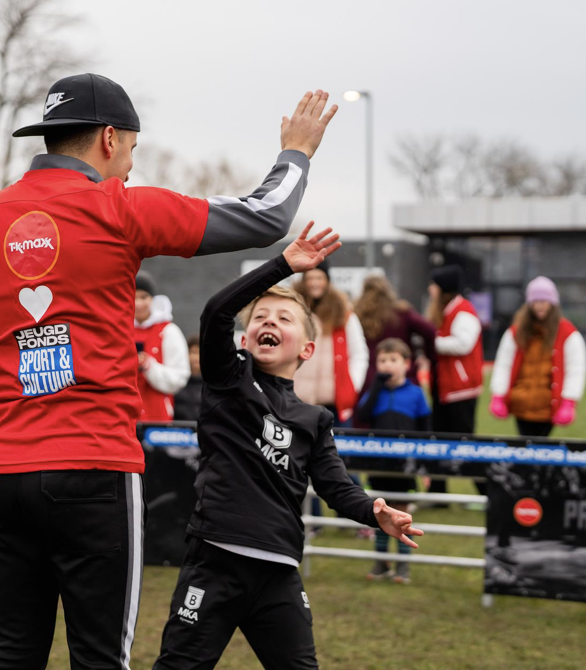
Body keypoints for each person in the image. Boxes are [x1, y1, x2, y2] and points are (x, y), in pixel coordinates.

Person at [0, 73, 340, 669]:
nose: (133, 168)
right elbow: (266, 216)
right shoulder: (119, 208)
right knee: (99, 660)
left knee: (11, 658)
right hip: (95, 470)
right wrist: (297, 150)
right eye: (134, 151)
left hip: (6, 474)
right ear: (109, 138)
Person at [153, 224, 421, 670]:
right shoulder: (228, 382)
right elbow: (217, 313)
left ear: (308, 348)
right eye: (260, 317)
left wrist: (375, 512)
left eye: (283, 319)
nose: (269, 322)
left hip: (277, 572)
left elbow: (336, 487)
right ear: (244, 339)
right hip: (215, 560)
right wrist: (281, 266)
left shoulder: (314, 421)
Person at [354, 337, 431, 584]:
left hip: (405, 467)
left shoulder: (416, 393)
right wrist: (376, 386)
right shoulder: (373, 393)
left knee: (403, 515)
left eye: (393, 360)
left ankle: (403, 565)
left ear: (406, 364)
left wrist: (425, 467)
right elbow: (362, 415)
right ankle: (381, 563)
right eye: (382, 360)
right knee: (380, 513)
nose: (387, 365)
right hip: (379, 467)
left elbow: (426, 431)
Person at [488, 276, 586, 437]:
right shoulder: (516, 332)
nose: (540, 305)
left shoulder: (567, 334)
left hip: (548, 406)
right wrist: (498, 395)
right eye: (536, 301)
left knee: (540, 449)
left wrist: (569, 402)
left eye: (544, 301)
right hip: (521, 404)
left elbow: (575, 369)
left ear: (553, 304)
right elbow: (503, 365)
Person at [292, 258, 368, 425]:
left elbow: (359, 352)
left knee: (335, 449)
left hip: (334, 402)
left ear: (327, 281)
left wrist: (352, 384)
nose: (314, 283)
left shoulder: (343, 314)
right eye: (310, 278)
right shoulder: (293, 310)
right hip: (297, 399)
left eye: (319, 278)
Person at [353, 274, 436, 390]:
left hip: (370, 377)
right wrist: (427, 354)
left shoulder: (356, 315)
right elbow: (430, 330)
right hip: (402, 375)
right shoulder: (401, 312)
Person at [427, 265, 483, 435]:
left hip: (460, 386)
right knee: (442, 431)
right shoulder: (446, 310)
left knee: (461, 432)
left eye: (433, 285)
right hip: (445, 384)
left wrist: (432, 343)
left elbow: (463, 344)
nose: (430, 288)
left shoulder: (463, 311)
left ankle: (463, 462)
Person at [134, 271, 190, 421]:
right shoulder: (118, 329)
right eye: (133, 297)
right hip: (124, 417)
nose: (138, 303)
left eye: (143, 297)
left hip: (158, 420)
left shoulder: (168, 331)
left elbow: (179, 378)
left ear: (152, 299)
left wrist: (148, 366)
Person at [173, 335, 203, 422]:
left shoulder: (211, 385)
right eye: (193, 352)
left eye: (199, 353)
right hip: (176, 431)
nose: (196, 358)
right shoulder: (176, 380)